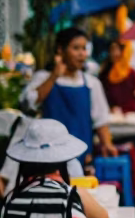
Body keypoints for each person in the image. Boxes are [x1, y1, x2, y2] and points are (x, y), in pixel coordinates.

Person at [23, 27, 117, 164]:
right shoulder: (43, 78)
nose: (81, 54)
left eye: (84, 49)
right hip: (48, 159)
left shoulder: (91, 83)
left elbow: (101, 120)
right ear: (61, 50)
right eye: (76, 48)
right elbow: (29, 103)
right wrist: (54, 76)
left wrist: (107, 144)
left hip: (81, 157)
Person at [100, 39, 135, 116]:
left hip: (131, 115)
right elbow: (101, 97)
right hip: (112, 115)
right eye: (112, 50)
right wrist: (111, 108)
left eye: (118, 49)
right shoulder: (104, 74)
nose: (115, 53)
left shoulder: (132, 74)